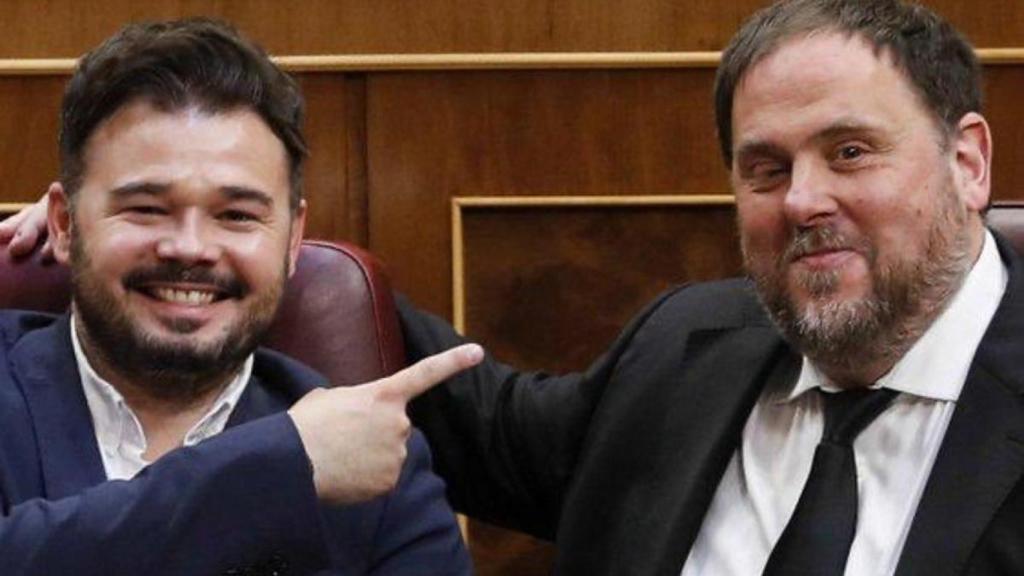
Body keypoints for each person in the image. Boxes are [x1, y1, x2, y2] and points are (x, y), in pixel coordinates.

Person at [7, 0, 1022, 574]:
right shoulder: (688, 351)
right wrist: (185, 254)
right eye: (764, 168)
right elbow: (468, 411)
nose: (802, 200)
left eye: (850, 152)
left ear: (968, 162)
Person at [0, 18, 481, 576]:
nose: (191, 247)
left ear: (292, 239)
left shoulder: (374, 459)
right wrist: (278, 474)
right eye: (146, 209)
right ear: (63, 225)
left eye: (236, 216)